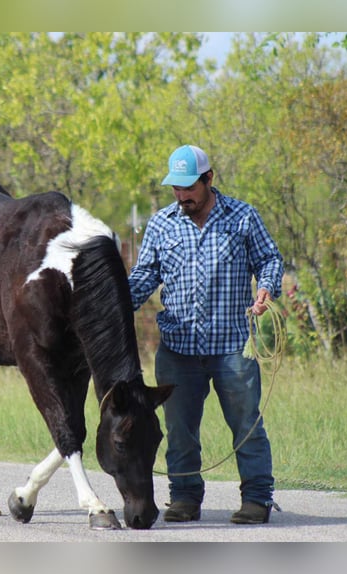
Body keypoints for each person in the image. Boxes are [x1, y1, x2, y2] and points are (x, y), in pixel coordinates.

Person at [128, 144, 284, 524]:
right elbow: (143, 277)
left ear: (209, 179)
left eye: (188, 187)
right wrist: (109, 306)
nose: (182, 195)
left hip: (233, 348)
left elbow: (269, 259)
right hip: (178, 350)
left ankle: (257, 499)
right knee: (179, 430)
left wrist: (267, 286)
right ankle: (183, 498)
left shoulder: (243, 218)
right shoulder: (162, 224)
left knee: (247, 424)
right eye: (176, 188)